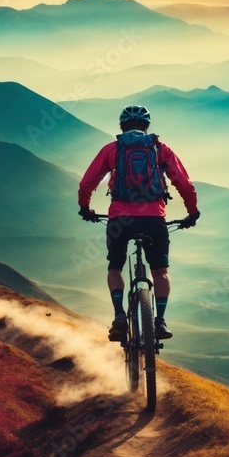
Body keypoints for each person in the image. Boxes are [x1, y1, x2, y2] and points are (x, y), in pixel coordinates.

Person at [78, 104, 201, 342]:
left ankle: (119, 317)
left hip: (120, 221)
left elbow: (87, 183)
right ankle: (160, 320)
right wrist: (192, 213)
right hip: (154, 219)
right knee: (161, 271)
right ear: (146, 126)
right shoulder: (160, 149)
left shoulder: (111, 150)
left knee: (115, 266)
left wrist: (85, 208)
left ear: (122, 126)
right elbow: (184, 184)